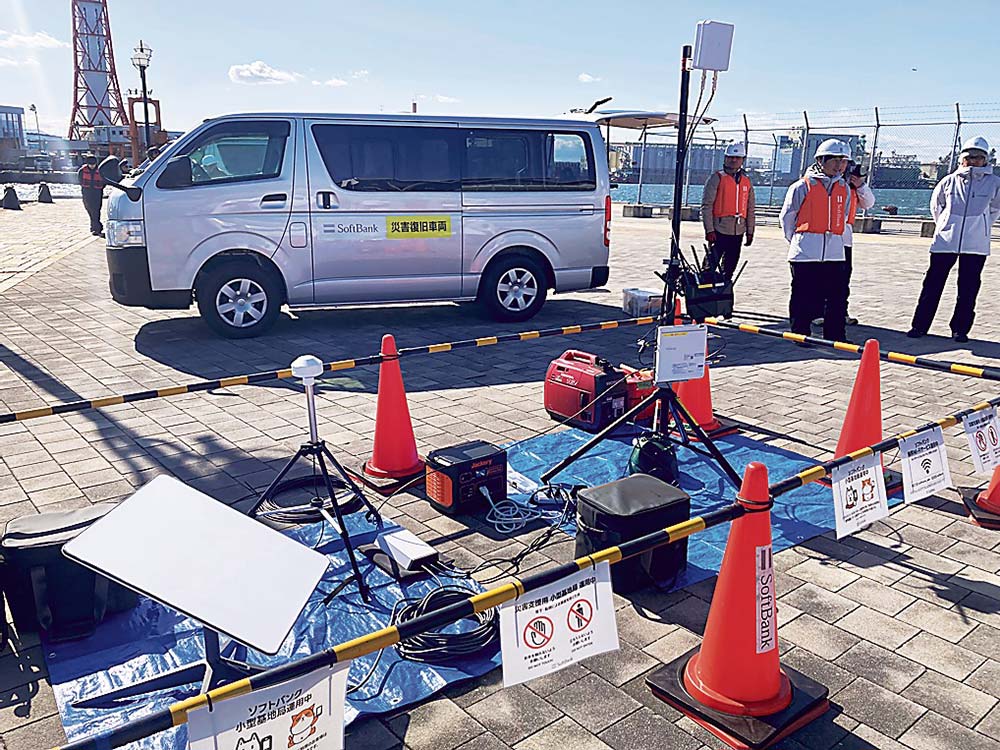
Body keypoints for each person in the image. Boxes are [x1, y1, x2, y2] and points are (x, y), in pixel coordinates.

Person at [908, 136, 1000, 343]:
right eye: (969, 157)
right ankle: (919, 325)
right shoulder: (949, 180)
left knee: (968, 287)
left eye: (978, 157)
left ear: (986, 159)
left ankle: (960, 329)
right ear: (962, 159)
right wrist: (946, 225)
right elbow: (937, 206)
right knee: (932, 284)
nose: (973, 161)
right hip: (945, 242)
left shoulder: (995, 183)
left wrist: (982, 225)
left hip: (975, 245)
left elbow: (996, 208)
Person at [778, 139, 852, 343]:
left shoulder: (844, 188)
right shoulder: (801, 186)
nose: (839, 165)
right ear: (821, 160)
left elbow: (843, 217)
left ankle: (836, 335)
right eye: (834, 160)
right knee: (803, 295)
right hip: (805, 251)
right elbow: (787, 217)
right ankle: (800, 333)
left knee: (836, 297)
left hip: (835, 251)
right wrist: (798, 242)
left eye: (843, 161)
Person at [701, 142, 756, 280]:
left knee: (729, 268)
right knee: (709, 268)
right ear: (725, 158)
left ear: (742, 160)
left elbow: (750, 209)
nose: (733, 160)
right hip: (719, 229)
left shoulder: (746, 181)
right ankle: (705, 294)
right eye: (731, 157)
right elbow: (707, 206)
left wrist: (750, 231)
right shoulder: (716, 178)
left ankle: (724, 294)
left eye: (737, 158)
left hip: (738, 231)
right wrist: (709, 230)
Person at [841, 158, 876, 325]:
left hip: (845, 237)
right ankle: (817, 312)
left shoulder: (854, 189)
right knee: (821, 277)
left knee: (843, 277)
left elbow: (868, 203)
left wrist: (860, 185)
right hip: (824, 236)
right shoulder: (826, 184)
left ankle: (841, 311)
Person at [77, 153, 104, 237]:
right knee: (89, 209)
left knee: (96, 210)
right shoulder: (82, 170)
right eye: (90, 164)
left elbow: (104, 180)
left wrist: (101, 187)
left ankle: (95, 228)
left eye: (93, 164)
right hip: (87, 192)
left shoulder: (100, 170)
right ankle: (97, 225)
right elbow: (80, 180)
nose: (92, 166)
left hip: (97, 192)